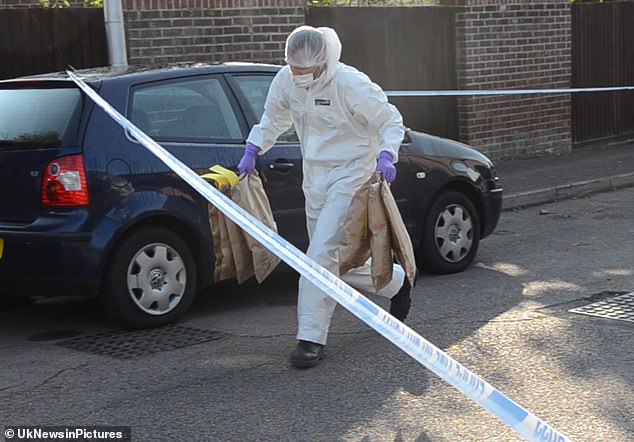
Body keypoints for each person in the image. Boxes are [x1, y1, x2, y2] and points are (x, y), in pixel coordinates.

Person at [237, 25, 411, 369]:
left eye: (305, 68)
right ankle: (394, 282)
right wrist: (254, 146)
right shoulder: (286, 80)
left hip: (351, 173)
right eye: (294, 67)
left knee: (318, 256)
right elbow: (274, 117)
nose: (298, 74)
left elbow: (389, 120)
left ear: (323, 61)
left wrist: (387, 154)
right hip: (314, 177)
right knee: (333, 259)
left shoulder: (349, 83)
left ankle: (310, 338)